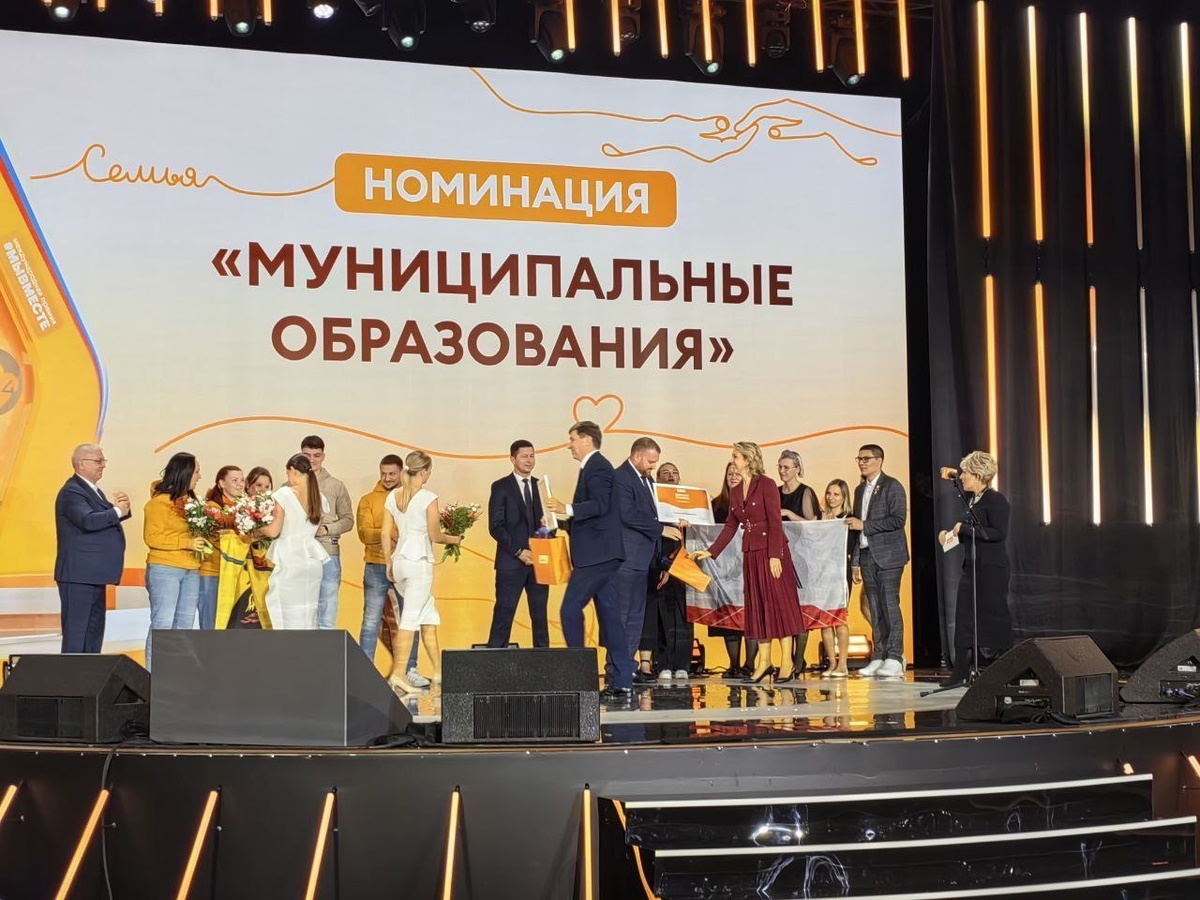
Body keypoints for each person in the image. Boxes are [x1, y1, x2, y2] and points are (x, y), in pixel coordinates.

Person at [694, 442, 802, 685]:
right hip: (751, 552)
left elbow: (775, 521)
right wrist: (711, 551)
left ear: (748, 459)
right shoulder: (736, 490)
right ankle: (764, 662)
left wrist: (775, 555)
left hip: (771, 552)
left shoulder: (766, 484)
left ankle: (786, 662)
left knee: (778, 605)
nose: (732, 460)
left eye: (736, 456)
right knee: (758, 606)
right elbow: (731, 525)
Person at [544, 421, 629, 704]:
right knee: (610, 619)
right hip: (601, 555)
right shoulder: (593, 467)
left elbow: (600, 505)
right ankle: (623, 681)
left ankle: (579, 676)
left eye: (572, 439)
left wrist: (565, 508)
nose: (569, 445)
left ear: (587, 440)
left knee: (569, 609)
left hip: (596, 558)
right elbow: (594, 516)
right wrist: (560, 522)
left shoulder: (598, 467)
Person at [380, 451, 463, 695]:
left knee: (428, 614)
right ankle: (398, 674)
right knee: (410, 619)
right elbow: (435, 535)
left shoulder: (393, 496)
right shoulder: (427, 497)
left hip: (400, 561)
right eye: (429, 471)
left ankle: (437, 671)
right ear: (424, 471)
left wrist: (388, 562)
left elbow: (385, 533)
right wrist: (455, 539)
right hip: (419, 562)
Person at [609, 438, 683, 690]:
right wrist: (661, 529)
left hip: (645, 559)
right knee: (622, 616)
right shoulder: (620, 478)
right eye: (651, 461)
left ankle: (627, 669)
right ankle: (615, 670)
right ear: (637, 456)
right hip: (626, 559)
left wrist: (677, 520)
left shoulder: (647, 480)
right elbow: (627, 514)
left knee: (635, 618)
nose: (653, 466)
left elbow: (657, 511)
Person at [938, 451, 1012, 687]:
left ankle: (1005, 669)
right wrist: (950, 536)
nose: (962, 477)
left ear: (979, 475)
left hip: (991, 569)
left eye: (966, 473)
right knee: (964, 617)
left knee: (993, 616)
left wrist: (963, 529)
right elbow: (970, 533)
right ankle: (960, 671)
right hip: (971, 567)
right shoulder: (972, 501)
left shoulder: (996, 500)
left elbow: (997, 533)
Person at [53, 444, 131, 653]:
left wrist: (122, 510)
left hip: (92, 575)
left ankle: (90, 672)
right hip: (78, 576)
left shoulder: (91, 490)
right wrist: (117, 511)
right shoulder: (72, 491)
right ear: (81, 463)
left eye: (103, 461)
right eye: (98, 461)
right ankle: (73, 675)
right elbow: (88, 521)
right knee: (77, 635)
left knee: (93, 634)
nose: (103, 465)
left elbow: (100, 519)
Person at [356, 454, 424, 685]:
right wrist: (390, 533)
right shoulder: (368, 500)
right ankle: (365, 671)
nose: (386, 478)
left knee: (410, 618)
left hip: (407, 565)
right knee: (371, 620)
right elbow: (364, 534)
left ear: (401, 472)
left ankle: (410, 669)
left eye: (392, 474)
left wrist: (392, 533)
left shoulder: (415, 498)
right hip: (376, 565)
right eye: (383, 474)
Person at [847, 444, 909, 679]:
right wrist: (855, 560)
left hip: (889, 555)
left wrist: (865, 525)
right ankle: (879, 655)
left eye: (866, 459)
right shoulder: (859, 490)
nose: (862, 463)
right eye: (859, 459)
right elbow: (855, 527)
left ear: (879, 460)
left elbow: (898, 520)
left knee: (889, 606)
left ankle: (895, 656)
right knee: (874, 607)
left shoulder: (892, 486)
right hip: (867, 555)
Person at [143, 452, 209, 668]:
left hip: (191, 570)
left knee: (185, 625)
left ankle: (176, 674)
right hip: (165, 569)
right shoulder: (158, 504)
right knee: (163, 623)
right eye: (196, 472)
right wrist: (186, 542)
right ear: (184, 473)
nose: (199, 477)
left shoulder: (193, 503)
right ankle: (153, 676)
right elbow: (152, 538)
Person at [487, 439, 551, 648]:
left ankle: (544, 662)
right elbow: (496, 526)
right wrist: (518, 551)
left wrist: (547, 529)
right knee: (503, 616)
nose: (529, 460)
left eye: (532, 456)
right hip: (511, 562)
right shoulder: (500, 486)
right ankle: (494, 662)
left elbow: (550, 525)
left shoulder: (541, 486)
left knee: (540, 618)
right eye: (524, 456)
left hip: (539, 563)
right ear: (513, 459)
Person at [260, 454, 330, 630]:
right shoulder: (320, 498)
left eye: (288, 473)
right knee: (308, 614)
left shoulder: (284, 494)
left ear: (293, 471)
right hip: (312, 561)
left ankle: (288, 647)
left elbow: (274, 530)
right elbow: (315, 528)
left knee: (286, 612)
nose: (288, 478)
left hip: (289, 557)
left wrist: (256, 528)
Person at [642, 462, 693, 680]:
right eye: (665, 473)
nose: (671, 476)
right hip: (660, 566)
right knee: (661, 616)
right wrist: (664, 565)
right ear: (657, 479)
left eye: (675, 473)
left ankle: (683, 664)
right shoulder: (653, 505)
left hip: (685, 566)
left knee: (684, 616)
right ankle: (663, 663)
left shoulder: (689, 504)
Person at [708, 461, 757, 680]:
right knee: (729, 619)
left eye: (737, 473)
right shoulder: (715, 505)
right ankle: (734, 664)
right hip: (724, 572)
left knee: (751, 617)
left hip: (749, 566)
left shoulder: (753, 501)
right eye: (730, 473)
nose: (733, 476)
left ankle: (750, 665)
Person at [300, 435, 353, 631]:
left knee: (327, 613)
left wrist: (328, 529)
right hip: (299, 552)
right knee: (302, 611)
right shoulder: (289, 486)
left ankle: (326, 648)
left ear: (323, 456)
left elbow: (348, 520)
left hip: (328, 551)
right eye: (307, 455)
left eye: (316, 455)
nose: (312, 460)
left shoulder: (336, 485)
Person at [778, 449, 821, 675]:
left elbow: (812, 525)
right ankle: (786, 659)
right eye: (780, 466)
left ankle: (799, 659)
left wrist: (788, 513)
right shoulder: (775, 492)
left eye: (786, 467)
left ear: (797, 469)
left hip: (802, 557)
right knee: (783, 609)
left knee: (801, 608)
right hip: (780, 556)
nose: (782, 471)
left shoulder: (805, 492)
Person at [197, 465, 244, 630]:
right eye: (235, 480)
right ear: (221, 483)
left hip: (235, 573)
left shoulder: (246, 508)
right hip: (213, 571)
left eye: (242, 480)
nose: (240, 484)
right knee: (211, 624)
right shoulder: (211, 508)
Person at [818, 478, 854, 678]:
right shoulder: (821, 518)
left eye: (836, 494)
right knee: (824, 619)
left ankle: (843, 664)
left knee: (839, 618)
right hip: (822, 572)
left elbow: (852, 547)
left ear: (844, 497)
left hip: (840, 572)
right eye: (829, 493)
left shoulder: (849, 518)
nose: (831, 498)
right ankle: (831, 662)